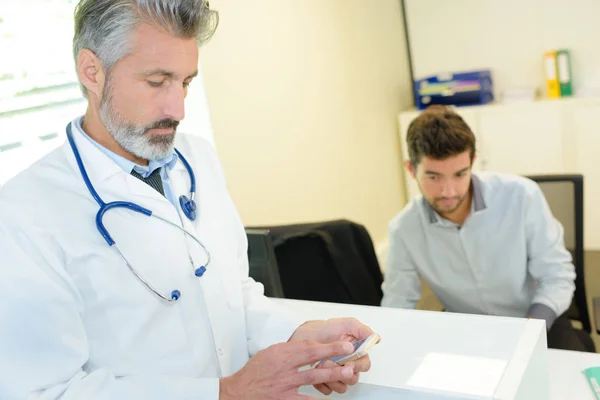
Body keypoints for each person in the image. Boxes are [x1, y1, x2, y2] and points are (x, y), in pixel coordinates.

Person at [0, 1, 377, 399]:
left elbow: (233, 295)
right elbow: (45, 391)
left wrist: (301, 339)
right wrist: (225, 393)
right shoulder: (24, 214)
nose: (177, 108)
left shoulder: (197, 159)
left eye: (185, 82)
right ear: (91, 71)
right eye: (156, 82)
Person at [381, 106, 594, 352]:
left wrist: (531, 329)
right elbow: (397, 304)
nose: (448, 192)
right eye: (434, 177)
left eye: (460, 174)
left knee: (562, 384)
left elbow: (557, 275)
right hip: (469, 333)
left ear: (472, 161)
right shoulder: (404, 229)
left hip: (536, 321)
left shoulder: (522, 196)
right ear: (411, 169)